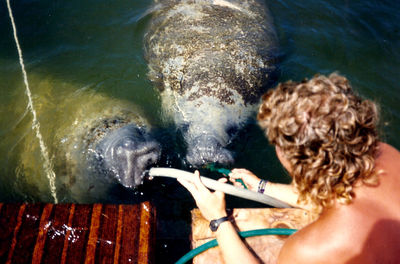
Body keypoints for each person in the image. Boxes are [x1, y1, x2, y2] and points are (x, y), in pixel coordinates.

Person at [178, 73, 400, 263]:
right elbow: (343, 195)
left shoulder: (311, 248)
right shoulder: (386, 153)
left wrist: (218, 219)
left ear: (293, 159)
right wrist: (263, 187)